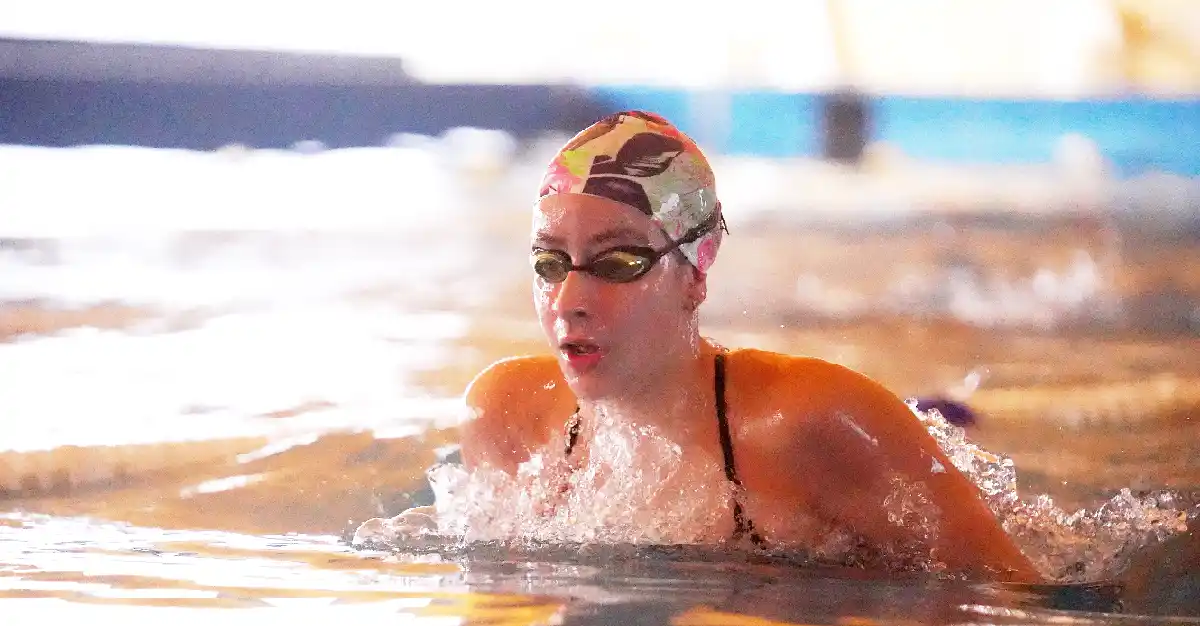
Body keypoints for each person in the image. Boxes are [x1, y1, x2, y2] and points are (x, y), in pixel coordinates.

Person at [356, 111, 1039, 582]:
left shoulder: (809, 422)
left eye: (618, 262)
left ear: (694, 275)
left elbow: (1013, 595)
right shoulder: (505, 415)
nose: (568, 300)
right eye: (549, 263)